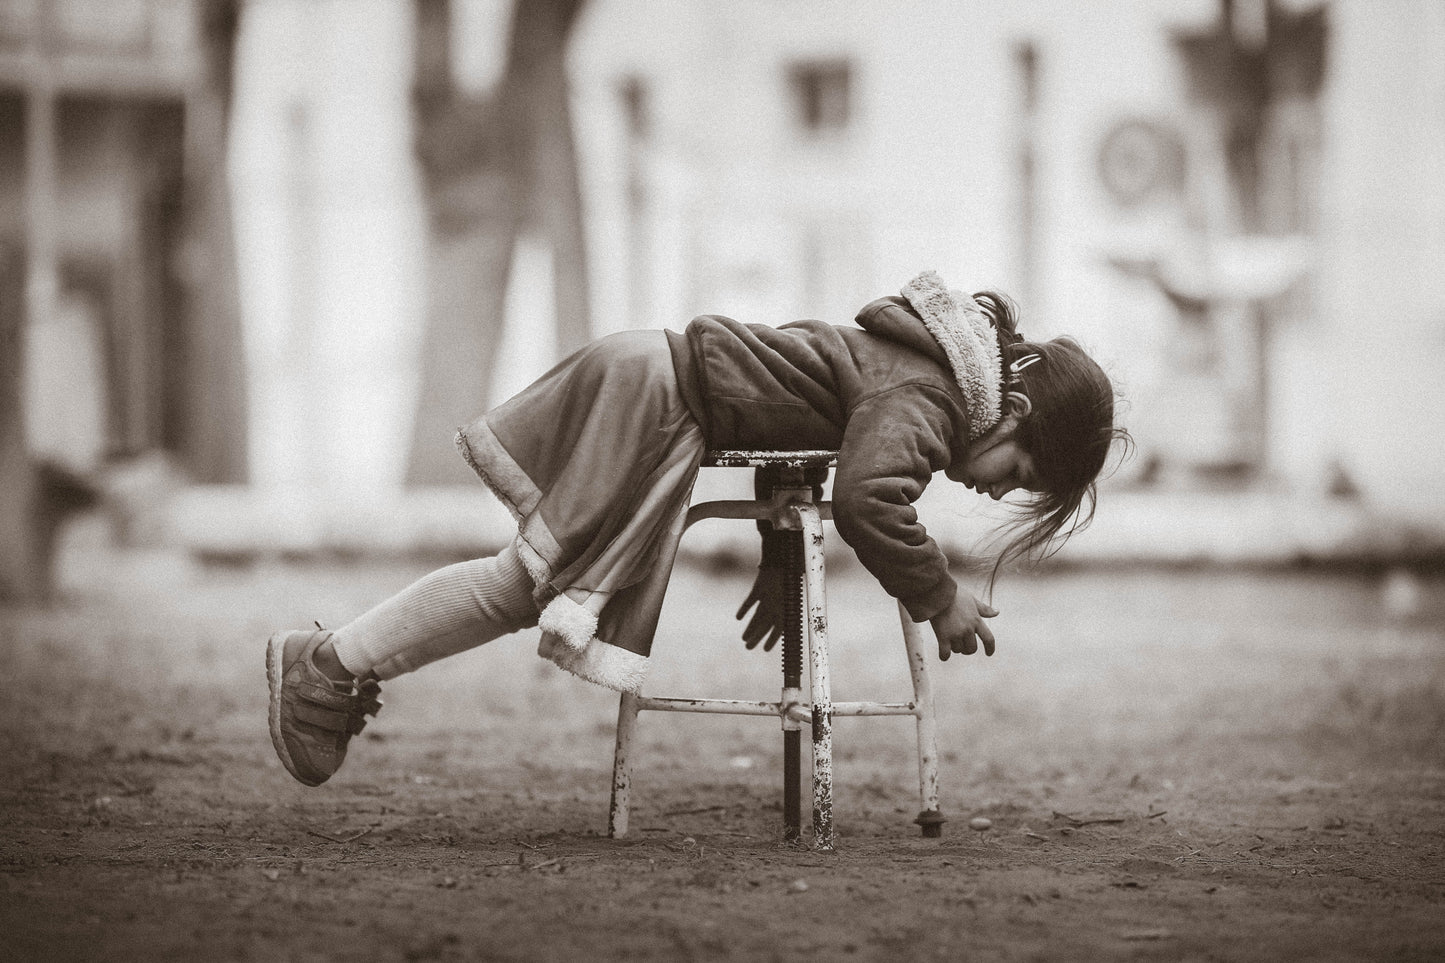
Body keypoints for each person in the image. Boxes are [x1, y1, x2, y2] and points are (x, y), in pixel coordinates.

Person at [265, 270, 1126, 787]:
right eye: (1014, 474)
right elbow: (867, 499)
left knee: (525, 582)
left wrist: (780, 560)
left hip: (657, 384)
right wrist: (938, 596)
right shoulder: (930, 398)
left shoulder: (918, 367)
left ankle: (335, 661)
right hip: (655, 398)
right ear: (1012, 411)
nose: (991, 489)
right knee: (525, 582)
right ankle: (329, 663)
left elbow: (792, 417)